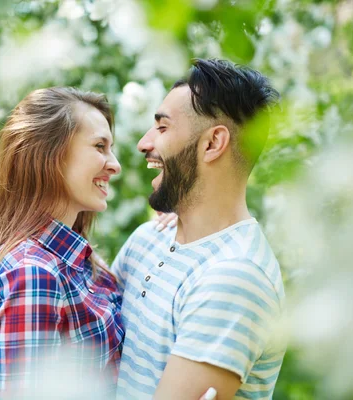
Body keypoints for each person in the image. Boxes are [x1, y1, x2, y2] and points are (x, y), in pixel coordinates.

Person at [112, 59, 286, 400]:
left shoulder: (236, 277)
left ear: (212, 144)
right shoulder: (148, 239)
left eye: (162, 128)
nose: (143, 144)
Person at [0, 87, 125, 398]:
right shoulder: (33, 276)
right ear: (49, 155)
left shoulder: (76, 261)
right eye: (99, 146)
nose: (115, 165)